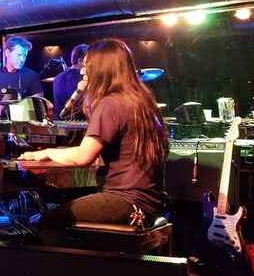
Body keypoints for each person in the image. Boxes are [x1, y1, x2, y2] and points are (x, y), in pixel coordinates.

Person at [19, 39, 168, 228]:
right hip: (149, 203)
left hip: (127, 201)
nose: (82, 71)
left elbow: (83, 156)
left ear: (101, 69)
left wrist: (46, 153)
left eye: (87, 65)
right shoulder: (142, 101)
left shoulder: (111, 103)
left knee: (47, 222)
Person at [0, 36, 43, 119]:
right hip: (0, 125)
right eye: (19, 55)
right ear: (7, 53)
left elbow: (39, 106)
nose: (22, 59)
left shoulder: (32, 76)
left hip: (25, 125)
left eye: (24, 56)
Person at [52, 43, 89, 119]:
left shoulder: (58, 77)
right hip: (77, 126)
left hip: (60, 123)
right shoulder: (82, 77)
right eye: (89, 61)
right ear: (80, 61)